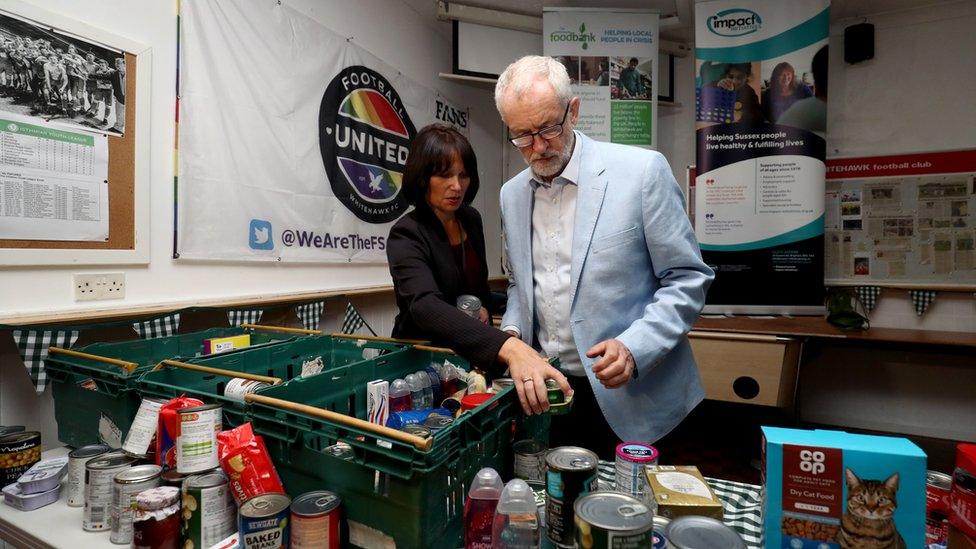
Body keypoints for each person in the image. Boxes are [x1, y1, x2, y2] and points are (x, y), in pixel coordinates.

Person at [494, 56, 714, 458]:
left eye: (548, 128)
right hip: (553, 396)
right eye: (522, 136)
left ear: (573, 111)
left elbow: (688, 278)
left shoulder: (642, 171)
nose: (539, 147)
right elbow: (519, 283)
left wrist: (634, 347)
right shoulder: (511, 194)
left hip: (640, 400)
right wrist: (512, 334)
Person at [386, 124, 572, 405]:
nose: (457, 186)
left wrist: (527, 299)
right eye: (444, 175)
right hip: (423, 368)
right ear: (422, 177)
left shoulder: (470, 219)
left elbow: (477, 291)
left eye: (463, 175)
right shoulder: (406, 233)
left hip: (467, 358)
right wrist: (506, 346)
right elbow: (424, 306)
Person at [778, 46, 828, 137]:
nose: (786, 77)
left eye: (788, 74)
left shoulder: (802, 89)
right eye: (782, 74)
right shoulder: (768, 94)